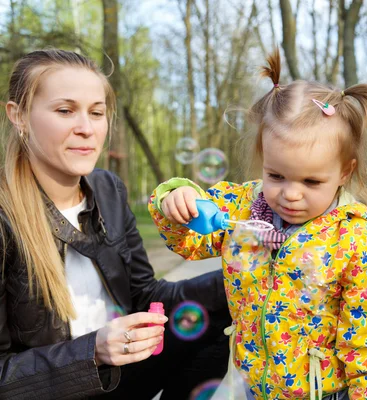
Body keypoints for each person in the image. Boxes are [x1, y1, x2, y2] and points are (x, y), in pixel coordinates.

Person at [148, 49, 367, 399]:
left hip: (323, 393)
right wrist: (174, 201)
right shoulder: (241, 208)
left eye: (311, 182)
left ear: (345, 171)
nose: (290, 194)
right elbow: (188, 241)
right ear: (263, 159)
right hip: (249, 384)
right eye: (276, 175)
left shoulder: (360, 243)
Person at [0, 49, 231, 400]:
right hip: (56, 387)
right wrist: (92, 352)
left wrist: (238, 274)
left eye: (96, 113)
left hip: (116, 377)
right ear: (18, 116)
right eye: (65, 111)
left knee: (211, 321)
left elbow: (145, 297)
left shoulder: (107, 189)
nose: (86, 129)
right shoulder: (6, 216)